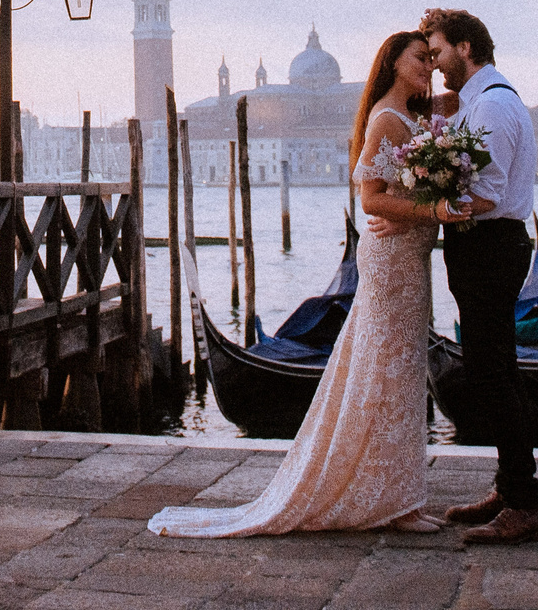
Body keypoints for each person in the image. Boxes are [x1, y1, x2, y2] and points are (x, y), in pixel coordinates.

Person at [146, 31, 470, 537]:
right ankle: (392, 502)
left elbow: (459, 101)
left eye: (432, 58)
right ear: (392, 62)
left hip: (409, 258)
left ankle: (398, 496)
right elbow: (370, 200)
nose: (428, 65)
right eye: (419, 58)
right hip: (391, 261)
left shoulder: (413, 115)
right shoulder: (386, 118)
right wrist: (436, 210)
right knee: (387, 375)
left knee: (401, 375)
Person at [416, 6, 538, 545]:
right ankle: (509, 487)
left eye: (438, 52)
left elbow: (487, 194)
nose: (434, 64)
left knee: (493, 375)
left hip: (490, 247)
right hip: (488, 248)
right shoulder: (480, 101)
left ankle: (524, 505)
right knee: (496, 371)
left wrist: (426, 201)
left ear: (465, 48)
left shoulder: (491, 105)